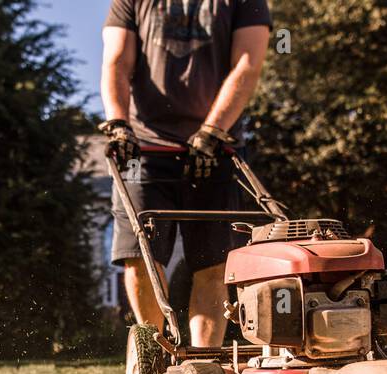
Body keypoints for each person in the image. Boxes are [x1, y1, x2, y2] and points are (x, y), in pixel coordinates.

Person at [100, 0, 272, 347]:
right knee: (140, 256)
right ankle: (155, 354)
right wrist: (119, 122)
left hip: (215, 149)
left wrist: (212, 131)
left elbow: (247, 63)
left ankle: (204, 363)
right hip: (144, 150)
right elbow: (116, 61)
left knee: (213, 264)